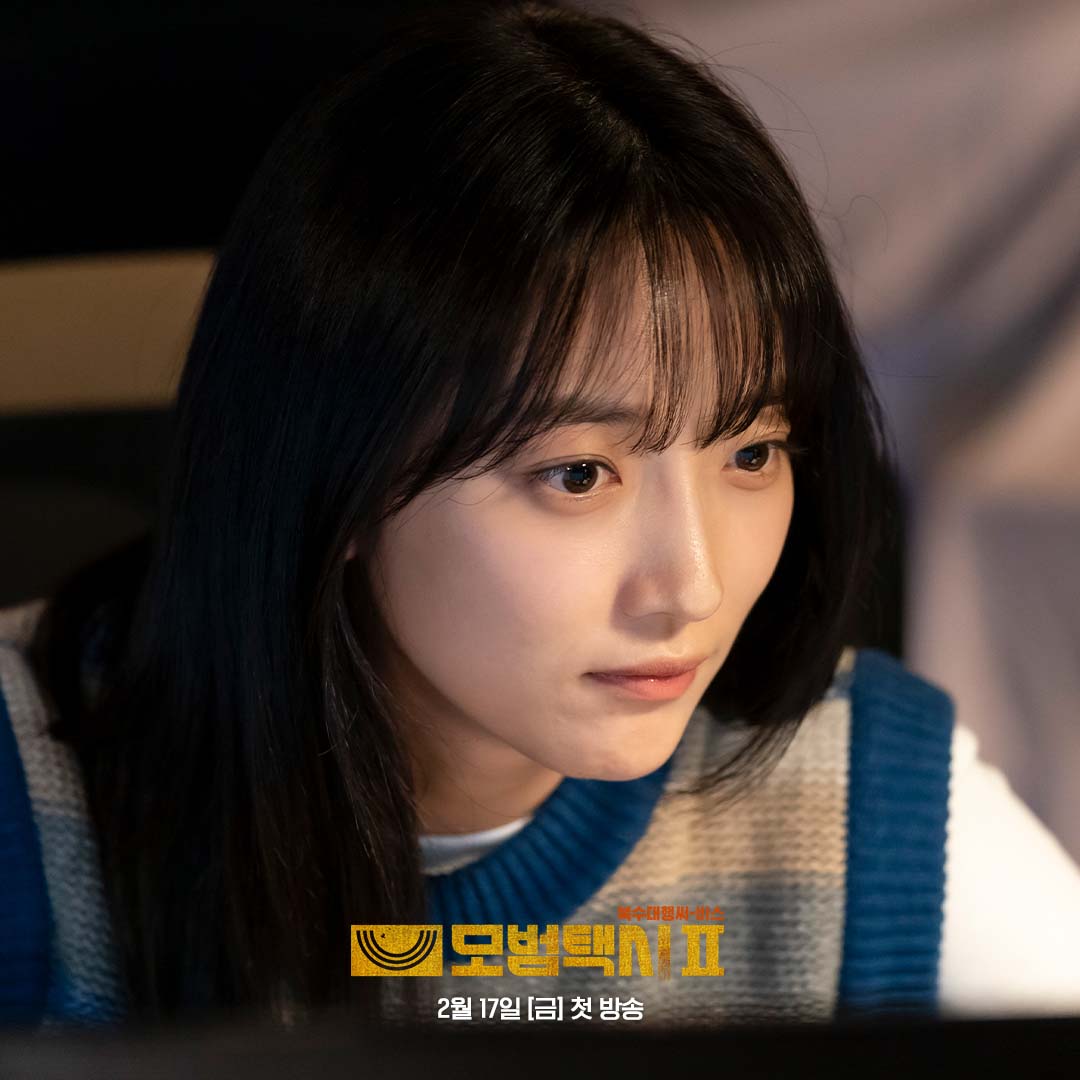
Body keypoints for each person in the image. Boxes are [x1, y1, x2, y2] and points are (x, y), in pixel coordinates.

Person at [1, 0, 1078, 1034]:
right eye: (578, 476)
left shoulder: (860, 804)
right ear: (337, 474)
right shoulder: (33, 797)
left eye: (750, 453)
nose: (693, 588)